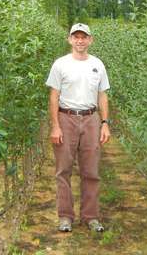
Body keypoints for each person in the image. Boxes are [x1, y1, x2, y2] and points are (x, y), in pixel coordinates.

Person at [45, 22, 111, 233]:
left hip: (91, 119)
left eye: (84, 37)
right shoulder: (60, 64)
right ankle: (65, 216)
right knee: (63, 171)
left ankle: (90, 216)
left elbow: (102, 95)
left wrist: (105, 123)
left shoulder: (98, 64)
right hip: (67, 119)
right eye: (76, 37)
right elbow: (54, 96)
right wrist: (55, 126)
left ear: (90, 40)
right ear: (70, 40)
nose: (80, 41)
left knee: (91, 171)